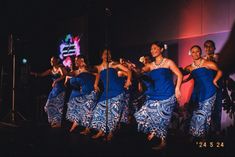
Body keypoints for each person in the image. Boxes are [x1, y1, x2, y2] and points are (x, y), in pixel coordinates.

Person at [134, 41, 183, 150]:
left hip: (168, 93)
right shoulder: (150, 65)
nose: (152, 51)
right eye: (151, 49)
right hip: (156, 94)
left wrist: (177, 88)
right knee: (141, 114)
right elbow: (140, 71)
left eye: (155, 48)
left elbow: (179, 74)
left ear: (161, 49)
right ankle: (154, 130)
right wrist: (133, 68)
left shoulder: (168, 62)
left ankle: (163, 141)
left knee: (162, 118)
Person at [90, 48, 132, 141]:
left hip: (117, 91)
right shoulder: (99, 67)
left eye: (109, 54)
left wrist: (128, 80)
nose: (107, 55)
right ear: (101, 56)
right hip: (106, 92)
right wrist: (95, 84)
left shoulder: (114, 64)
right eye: (105, 54)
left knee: (113, 113)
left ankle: (110, 133)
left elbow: (128, 71)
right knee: (99, 110)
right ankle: (101, 131)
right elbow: (98, 75)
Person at [184, 45, 222, 140]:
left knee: (205, 114)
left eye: (197, 51)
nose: (195, 53)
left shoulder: (207, 63)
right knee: (196, 113)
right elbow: (190, 75)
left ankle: (202, 137)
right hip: (198, 93)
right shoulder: (190, 67)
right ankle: (196, 134)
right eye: (193, 52)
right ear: (190, 54)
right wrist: (182, 81)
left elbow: (220, 70)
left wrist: (215, 80)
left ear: (200, 52)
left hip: (209, 91)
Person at [31, 56, 67, 128]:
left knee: (59, 107)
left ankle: (58, 123)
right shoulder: (51, 70)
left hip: (60, 90)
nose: (51, 62)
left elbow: (64, 75)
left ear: (57, 61)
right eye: (51, 60)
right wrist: (34, 74)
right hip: (54, 90)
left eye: (53, 60)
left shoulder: (60, 68)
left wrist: (56, 81)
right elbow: (41, 74)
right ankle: (53, 120)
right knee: (47, 107)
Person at [65, 55, 97, 134]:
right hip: (83, 92)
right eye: (75, 60)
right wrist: (67, 77)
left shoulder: (89, 70)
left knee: (88, 110)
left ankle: (87, 129)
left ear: (82, 61)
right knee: (76, 106)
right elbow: (69, 74)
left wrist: (96, 84)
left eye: (77, 60)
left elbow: (98, 75)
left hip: (91, 92)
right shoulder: (76, 72)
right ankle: (77, 124)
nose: (75, 61)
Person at [203, 40, 223, 135]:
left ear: (214, 48)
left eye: (210, 46)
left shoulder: (218, 57)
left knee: (217, 108)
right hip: (205, 88)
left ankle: (217, 131)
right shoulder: (202, 59)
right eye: (206, 46)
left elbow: (222, 70)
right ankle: (208, 130)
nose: (208, 48)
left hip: (217, 86)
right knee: (207, 109)